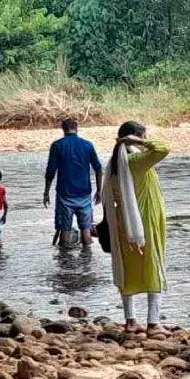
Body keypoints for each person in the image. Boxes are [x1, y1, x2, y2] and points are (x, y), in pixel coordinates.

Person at [102, 121, 170, 333]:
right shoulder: (135, 160)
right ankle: (153, 322)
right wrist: (140, 141)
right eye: (142, 136)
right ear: (135, 138)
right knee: (154, 264)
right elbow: (163, 148)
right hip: (145, 222)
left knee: (127, 269)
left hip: (123, 224)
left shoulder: (114, 163)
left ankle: (130, 321)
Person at [44, 119, 103, 247]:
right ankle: (87, 264)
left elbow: (51, 171)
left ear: (63, 130)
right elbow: (98, 168)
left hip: (65, 194)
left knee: (64, 233)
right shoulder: (88, 145)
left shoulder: (57, 145)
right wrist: (99, 190)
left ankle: (64, 264)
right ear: (77, 128)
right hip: (84, 194)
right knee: (86, 233)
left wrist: (46, 192)